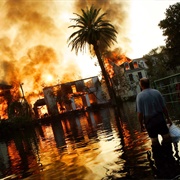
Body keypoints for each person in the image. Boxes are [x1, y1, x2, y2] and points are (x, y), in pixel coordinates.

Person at [136, 77, 175, 166]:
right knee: (167, 139)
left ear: (141, 86)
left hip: (150, 123)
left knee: (154, 142)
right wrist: (168, 118)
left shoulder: (139, 96)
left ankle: (159, 162)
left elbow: (140, 113)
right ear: (149, 84)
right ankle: (170, 159)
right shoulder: (157, 92)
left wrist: (141, 124)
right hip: (160, 120)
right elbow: (164, 108)